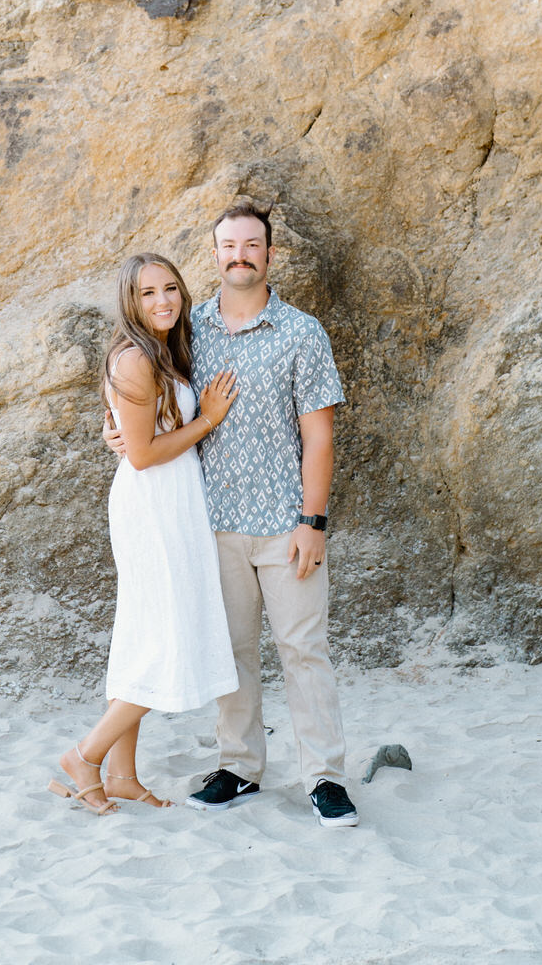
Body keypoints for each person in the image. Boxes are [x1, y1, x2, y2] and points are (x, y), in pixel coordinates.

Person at [104, 204, 359, 828]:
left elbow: (320, 438)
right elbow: (138, 382)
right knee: (233, 652)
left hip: (284, 522)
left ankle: (323, 776)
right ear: (214, 255)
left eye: (252, 244)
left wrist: (313, 521)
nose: (239, 254)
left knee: (304, 650)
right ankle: (240, 767)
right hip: (209, 524)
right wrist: (112, 429)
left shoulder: (303, 332)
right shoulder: (188, 330)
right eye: (228, 245)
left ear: (270, 255)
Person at [49, 253, 240, 814]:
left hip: (172, 504)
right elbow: (142, 455)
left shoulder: (163, 353)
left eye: (171, 289)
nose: (163, 301)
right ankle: (85, 755)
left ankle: (124, 774)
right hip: (154, 511)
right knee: (164, 640)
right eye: (149, 293)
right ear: (129, 303)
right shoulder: (135, 359)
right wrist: (207, 419)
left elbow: (136, 438)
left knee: (141, 637)